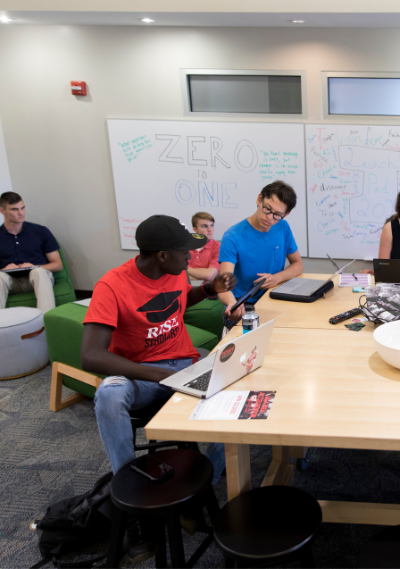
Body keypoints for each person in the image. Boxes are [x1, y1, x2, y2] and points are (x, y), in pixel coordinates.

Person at [82, 215, 236, 561]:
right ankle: (132, 504)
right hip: (142, 376)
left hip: (184, 363)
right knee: (108, 393)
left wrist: (208, 290)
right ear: (162, 255)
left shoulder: (173, 272)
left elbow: (176, 304)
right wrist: (155, 376)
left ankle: (198, 491)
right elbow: (90, 355)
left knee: (242, 390)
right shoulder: (112, 286)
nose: (192, 258)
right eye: (185, 252)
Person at [218, 181, 303, 321]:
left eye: (277, 214)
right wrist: (232, 303)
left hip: (273, 298)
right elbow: (223, 284)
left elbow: (298, 264)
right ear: (259, 199)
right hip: (244, 305)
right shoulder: (232, 236)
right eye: (267, 209)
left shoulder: (283, 227)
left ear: (286, 214)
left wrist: (277, 278)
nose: (269, 217)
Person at [0, 191, 63, 312]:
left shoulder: (41, 231)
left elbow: (58, 264)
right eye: (14, 209)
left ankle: (46, 324)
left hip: (39, 278)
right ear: (2, 211)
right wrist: (4, 269)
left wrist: (36, 266)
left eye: (22, 208)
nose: (21, 213)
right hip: (12, 282)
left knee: (38, 272)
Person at [187, 211, 220, 281]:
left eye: (211, 225)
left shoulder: (219, 247)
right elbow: (176, 274)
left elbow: (209, 276)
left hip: (209, 289)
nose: (210, 230)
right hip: (186, 288)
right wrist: (202, 275)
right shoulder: (186, 246)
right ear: (195, 229)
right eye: (204, 226)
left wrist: (185, 268)